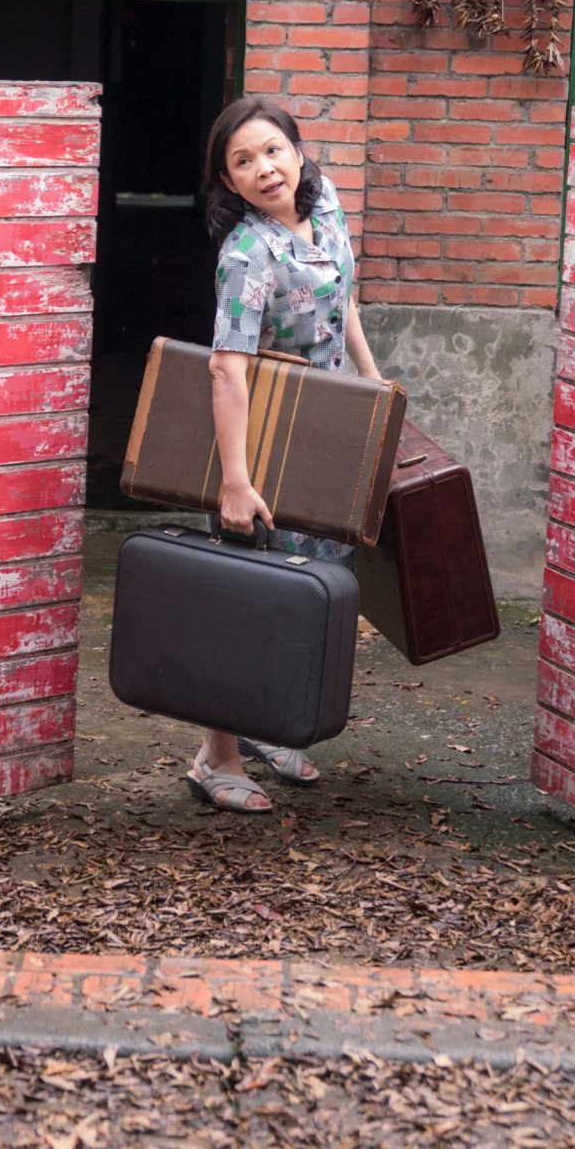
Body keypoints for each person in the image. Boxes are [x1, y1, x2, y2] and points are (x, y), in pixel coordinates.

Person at [188, 96, 385, 815]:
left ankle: (270, 725)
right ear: (228, 180)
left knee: (308, 585)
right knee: (245, 595)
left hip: (321, 429)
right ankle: (215, 756)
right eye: (243, 161)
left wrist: (372, 381)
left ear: (298, 152)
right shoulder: (247, 254)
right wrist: (235, 483)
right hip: (260, 435)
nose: (264, 168)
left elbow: (345, 300)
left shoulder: (325, 205)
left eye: (273, 150)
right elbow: (226, 368)